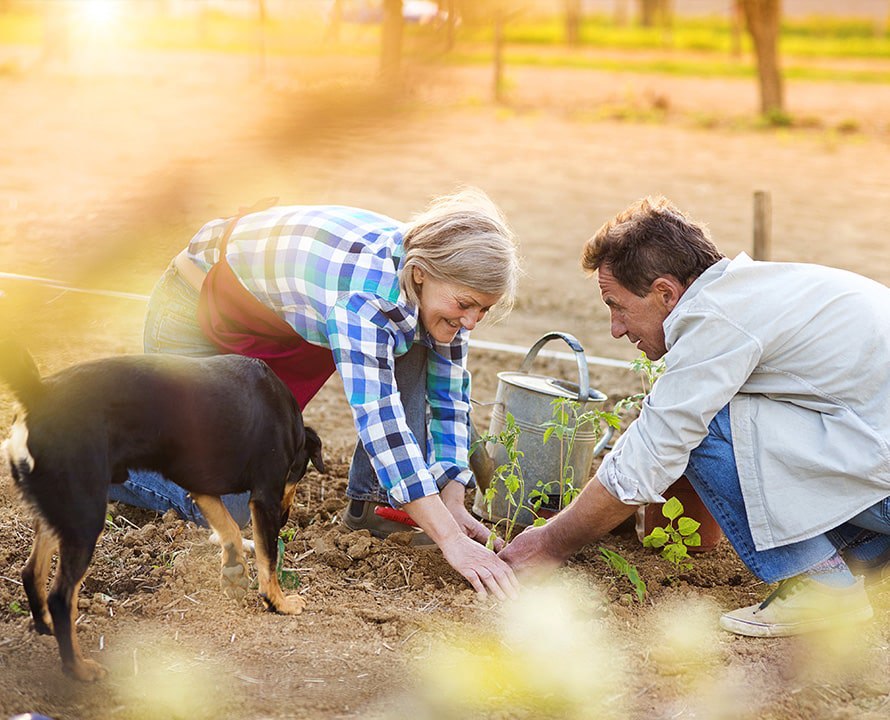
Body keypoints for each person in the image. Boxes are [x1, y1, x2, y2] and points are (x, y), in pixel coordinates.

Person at [499, 195, 890, 636]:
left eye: (617, 305)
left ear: (665, 292)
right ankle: (863, 554)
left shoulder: (716, 318)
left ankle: (824, 588)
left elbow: (654, 450)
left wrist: (550, 544)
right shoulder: (753, 290)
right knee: (719, 416)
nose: (616, 328)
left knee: (707, 426)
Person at [109, 188, 521, 600]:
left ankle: (377, 507)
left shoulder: (433, 286)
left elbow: (449, 397)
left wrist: (452, 499)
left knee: (421, 336)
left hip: (275, 324)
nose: (471, 322)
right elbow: (380, 420)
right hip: (195, 315)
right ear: (420, 273)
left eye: (483, 310)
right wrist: (450, 539)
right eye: (466, 304)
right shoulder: (367, 299)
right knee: (231, 499)